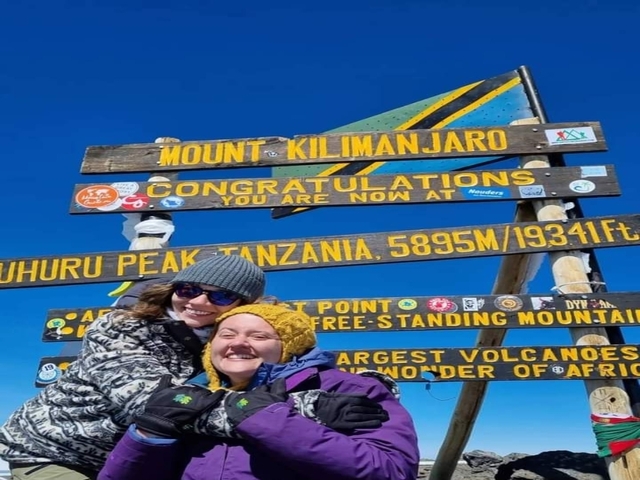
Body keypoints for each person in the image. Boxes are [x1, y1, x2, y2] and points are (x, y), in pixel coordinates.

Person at [0, 255, 386, 480]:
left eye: (220, 295)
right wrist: (307, 410)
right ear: (174, 290)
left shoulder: (226, 342)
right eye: (189, 289)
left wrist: (358, 387)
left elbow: (289, 372)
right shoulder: (121, 328)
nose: (200, 301)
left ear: (241, 305)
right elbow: (162, 406)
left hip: (133, 461)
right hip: (52, 453)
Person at [99, 303, 421, 480]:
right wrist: (149, 434)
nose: (238, 343)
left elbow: (389, 471)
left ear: (289, 347)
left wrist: (266, 419)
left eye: (258, 336)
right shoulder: (188, 396)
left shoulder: (349, 388)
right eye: (226, 334)